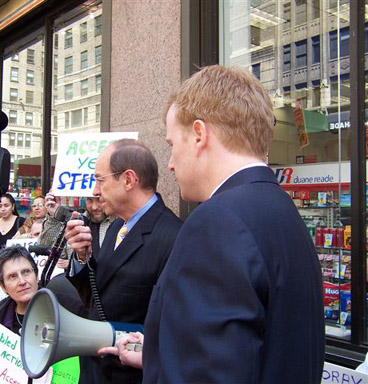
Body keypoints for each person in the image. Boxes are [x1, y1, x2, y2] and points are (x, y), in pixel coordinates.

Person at [112, 65, 324, 383]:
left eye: (172, 144)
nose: (169, 164)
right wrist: (162, 352)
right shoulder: (283, 210)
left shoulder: (216, 223)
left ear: (199, 135)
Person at [64, 138, 182, 384]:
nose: (95, 191)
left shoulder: (173, 237)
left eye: (100, 180)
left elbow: (173, 330)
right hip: (95, 371)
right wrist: (81, 258)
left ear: (128, 180)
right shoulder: (117, 226)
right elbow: (96, 297)